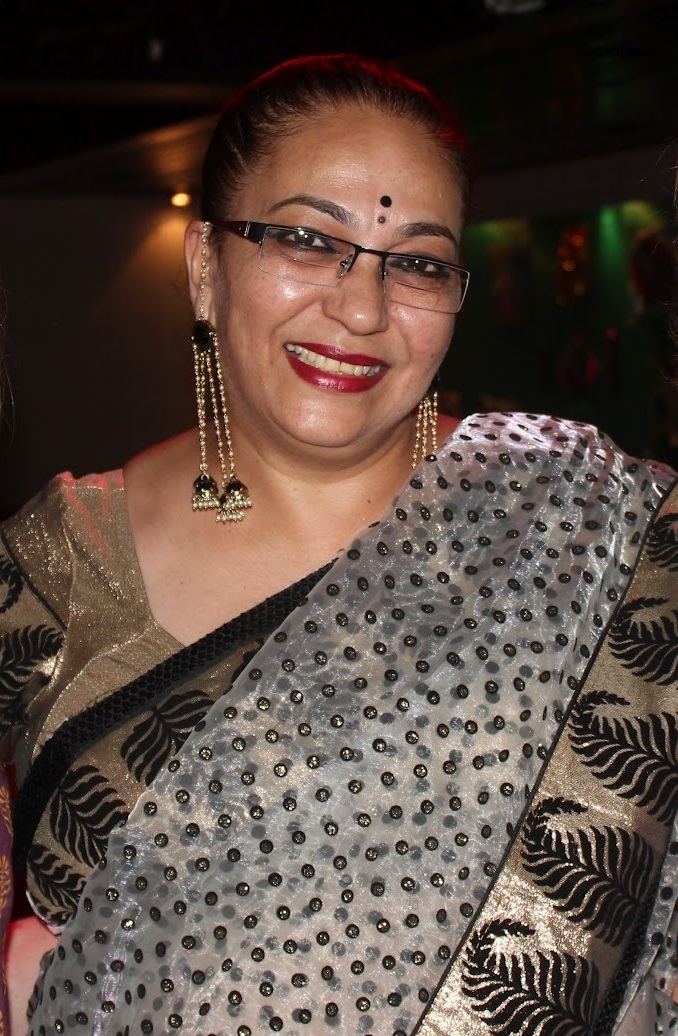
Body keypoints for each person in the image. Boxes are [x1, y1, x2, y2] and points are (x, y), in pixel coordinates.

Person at [0, 53, 675, 1036]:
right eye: (308, 240)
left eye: (418, 261)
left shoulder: (604, 538)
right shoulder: (48, 572)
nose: (361, 309)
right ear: (205, 267)